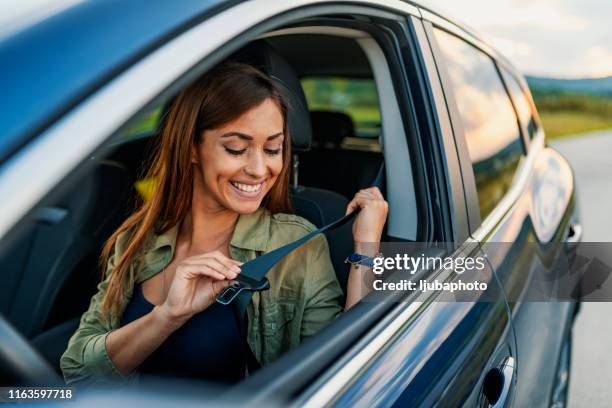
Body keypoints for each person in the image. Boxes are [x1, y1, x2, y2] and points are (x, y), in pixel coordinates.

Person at [60, 62, 388, 386]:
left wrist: (366, 247)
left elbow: (345, 372)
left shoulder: (297, 244)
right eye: (236, 149)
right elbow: (78, 370)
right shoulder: (138, 238)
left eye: (273, 149)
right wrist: (166, 317)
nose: (260, 170)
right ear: (191, 148)